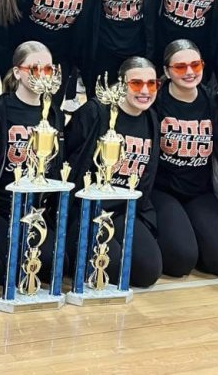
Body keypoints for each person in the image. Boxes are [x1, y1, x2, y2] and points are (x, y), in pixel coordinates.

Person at [65, 55, 163, 288]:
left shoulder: (151, 118)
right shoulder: (95, 112)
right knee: (114, 263)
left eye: (152, 84)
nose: (145, 91)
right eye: (136, 83)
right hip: (88, 209)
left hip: (123, 211)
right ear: (121, 84)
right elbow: (68, 156)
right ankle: (73, 248)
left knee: (148, 272)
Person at [152, 40, 218, 278]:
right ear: (167, 71)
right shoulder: (155, 102)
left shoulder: (214, 102)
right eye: (180, 67)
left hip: (199, 192)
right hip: (163, 191)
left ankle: (193, 235)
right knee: (180, 262)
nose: (189, 72)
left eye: (195, 65)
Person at [0, 42, 63, 280]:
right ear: (17, 72)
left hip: (36, 211)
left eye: (48, 69)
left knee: (52, 263)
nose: (41, 75)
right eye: (33, 68)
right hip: (0, 209)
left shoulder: (54, 114)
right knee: (18, 265)